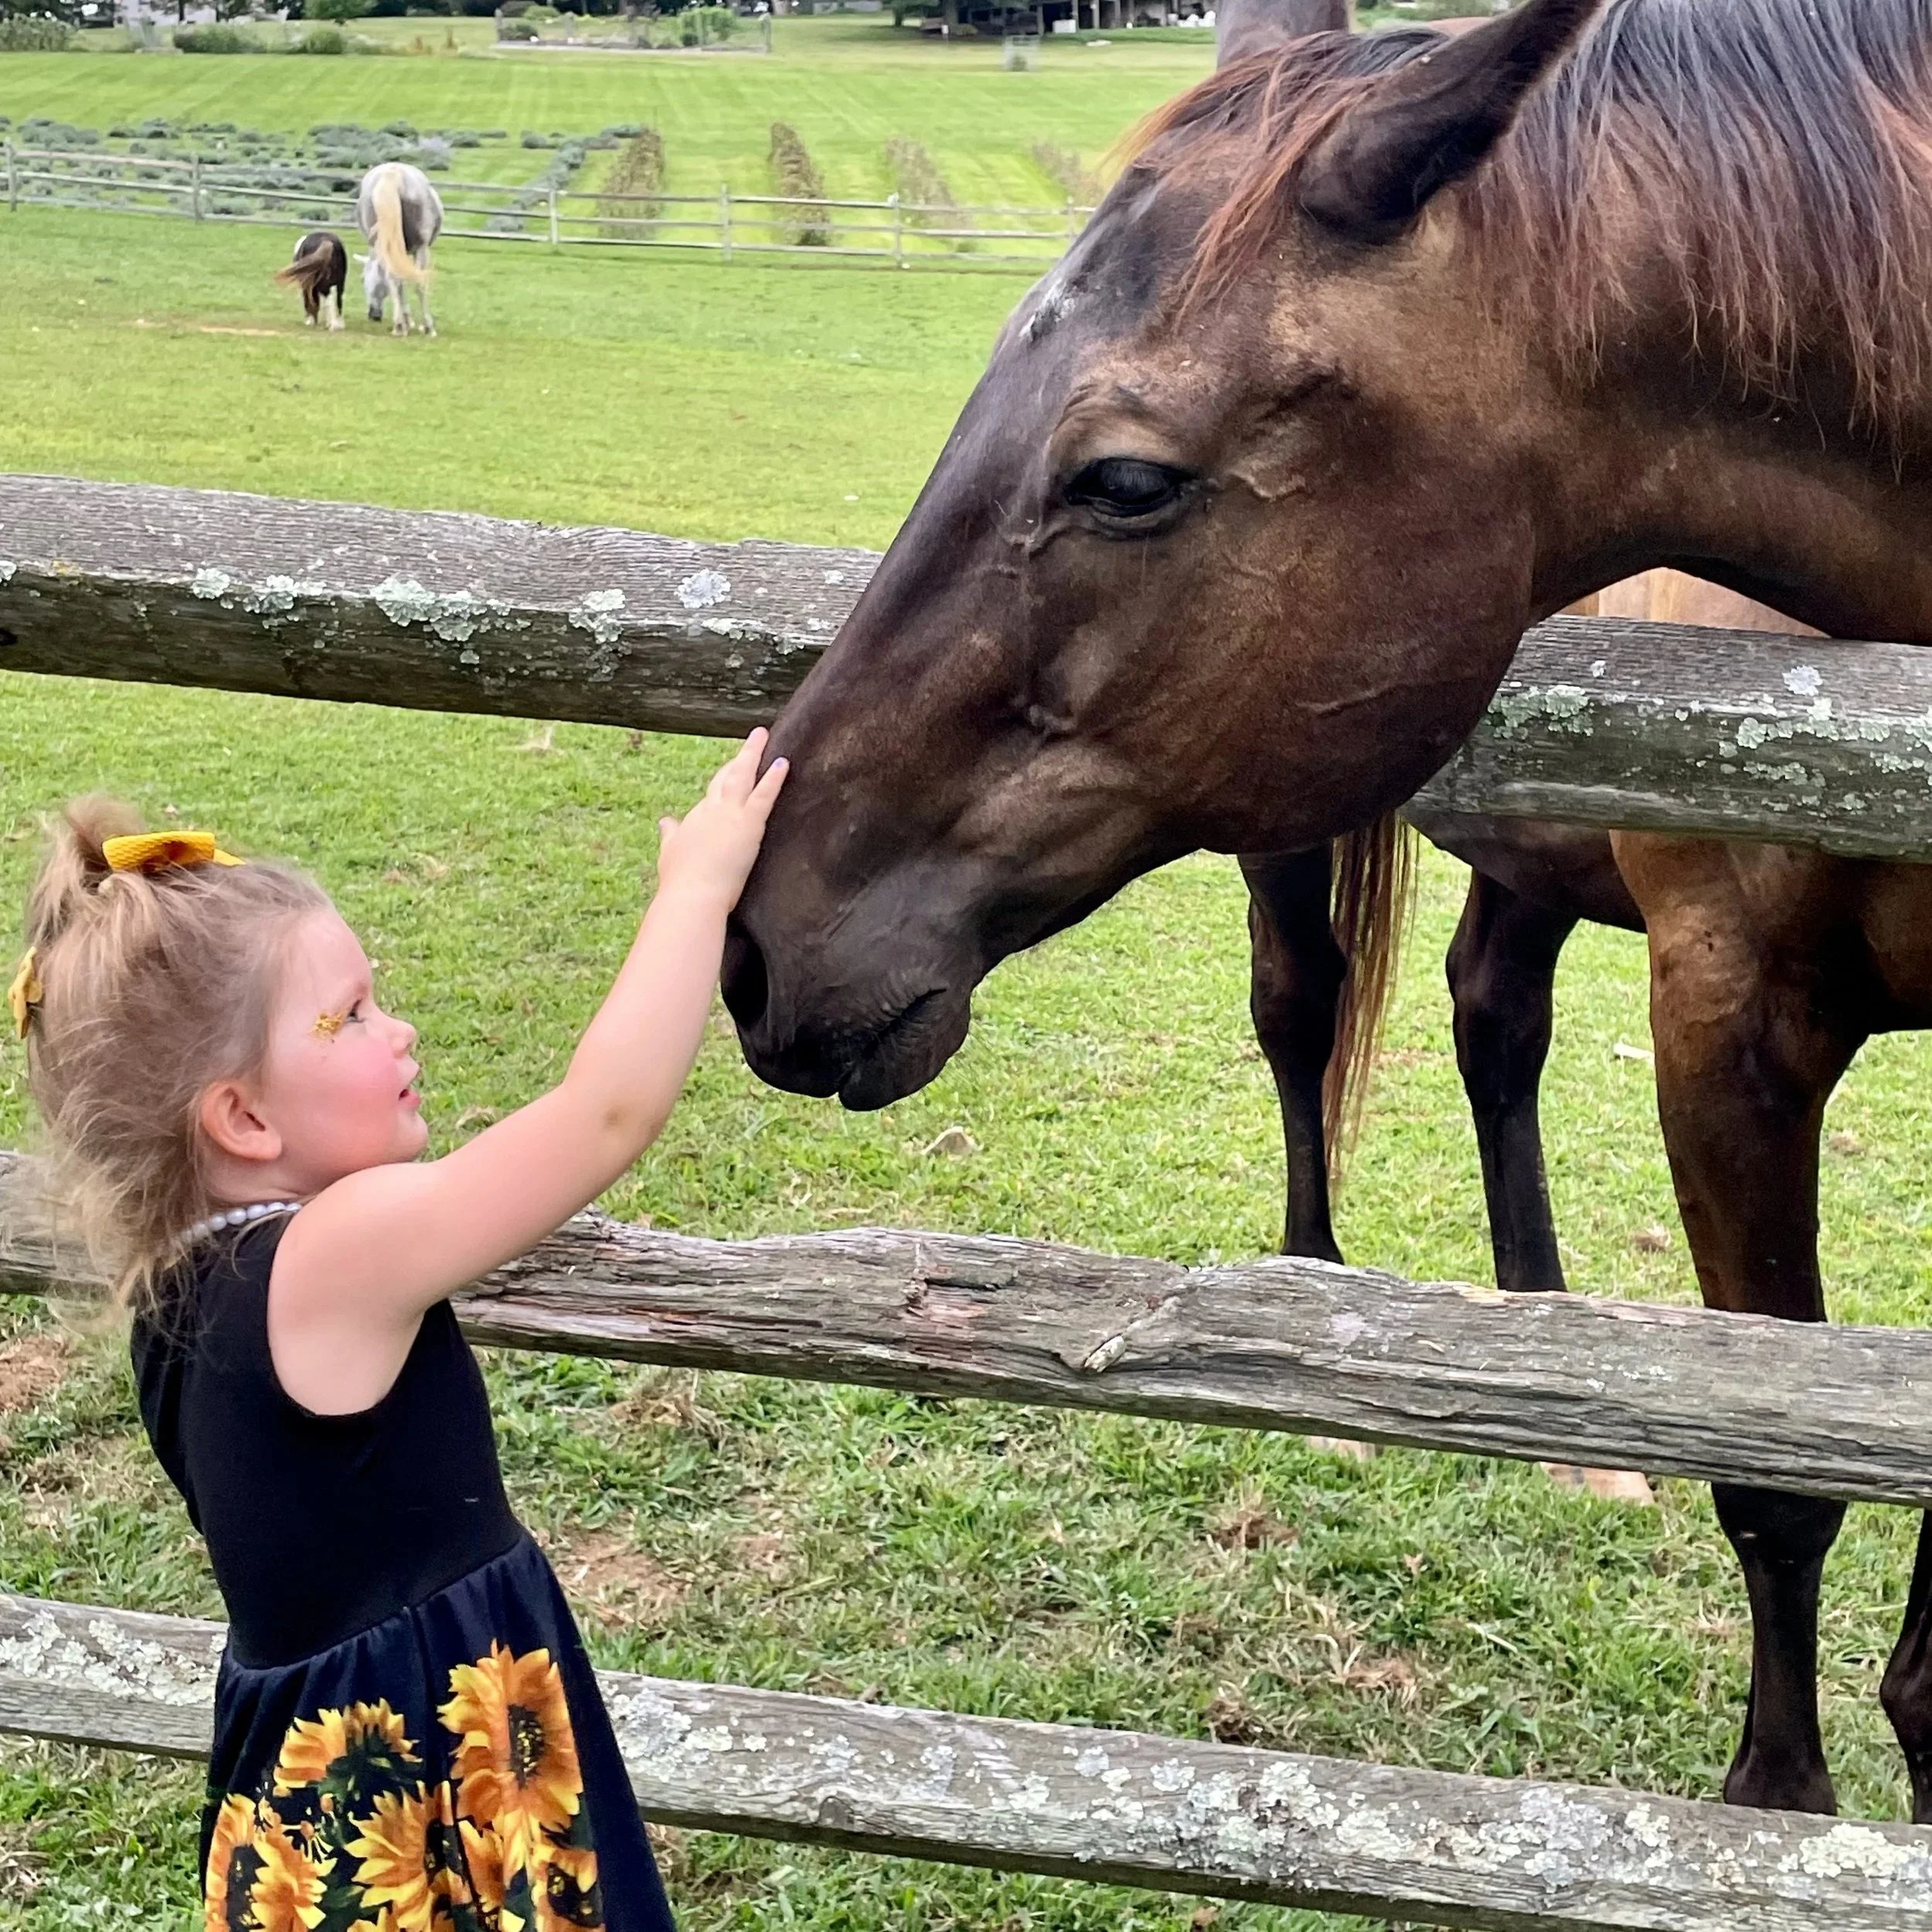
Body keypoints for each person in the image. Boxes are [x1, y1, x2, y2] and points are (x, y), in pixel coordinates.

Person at [12, 732, 787, 1932]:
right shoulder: (332, 1257)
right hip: (429, 1776)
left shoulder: (180, 1289)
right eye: (353, 1014)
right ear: (244, 1117)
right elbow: (603, 1115)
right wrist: (697, 889)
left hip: (313, 1797)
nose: (402, 1031)